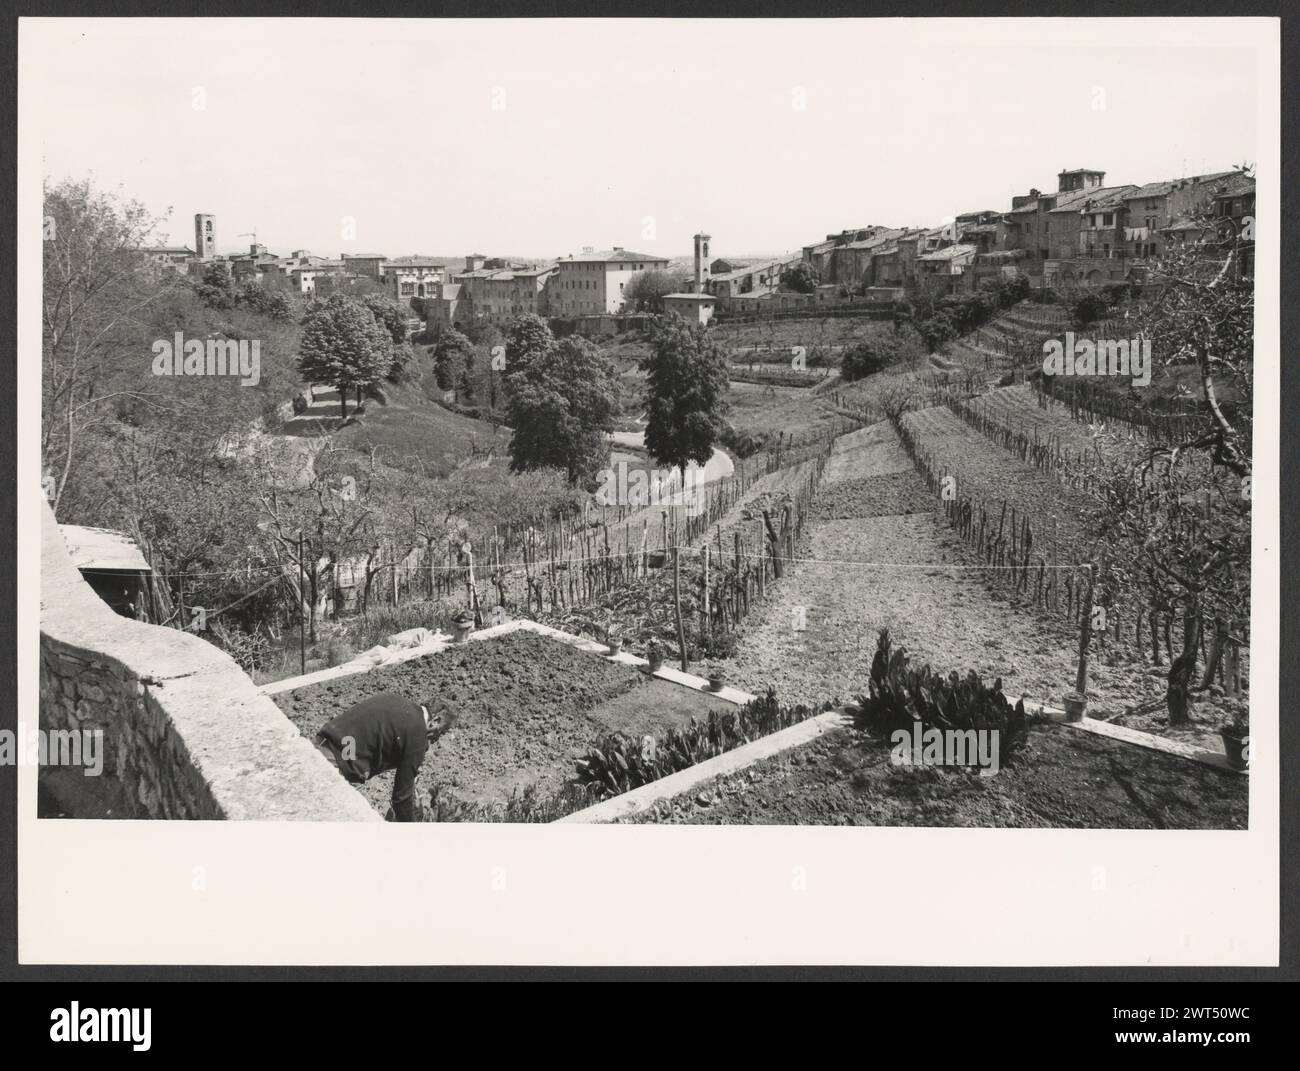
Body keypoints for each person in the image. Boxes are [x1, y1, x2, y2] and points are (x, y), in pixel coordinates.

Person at [313, 693, 457, 821]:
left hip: (319, 746)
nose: (437, 739)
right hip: (334, 766)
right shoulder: (417, 734)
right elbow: (401, 798)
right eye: (441, 732)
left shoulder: (395, 700)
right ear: (436, 721)